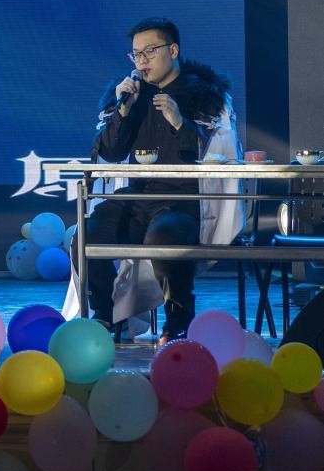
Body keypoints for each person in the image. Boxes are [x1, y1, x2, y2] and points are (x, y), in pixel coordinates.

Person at [77, 17, 237, 345]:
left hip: (184, 199)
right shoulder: (132, 95)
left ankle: (178, 322)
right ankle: (106, 315)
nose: (142, 61)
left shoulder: (205, 96)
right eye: (136, 54)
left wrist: (179, 122)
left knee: (165, 237)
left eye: (150, 51)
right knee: (87, 235)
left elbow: (218, 155)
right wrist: (122, 112)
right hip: (137, 196)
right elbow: (109, 151)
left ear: (173, 50)